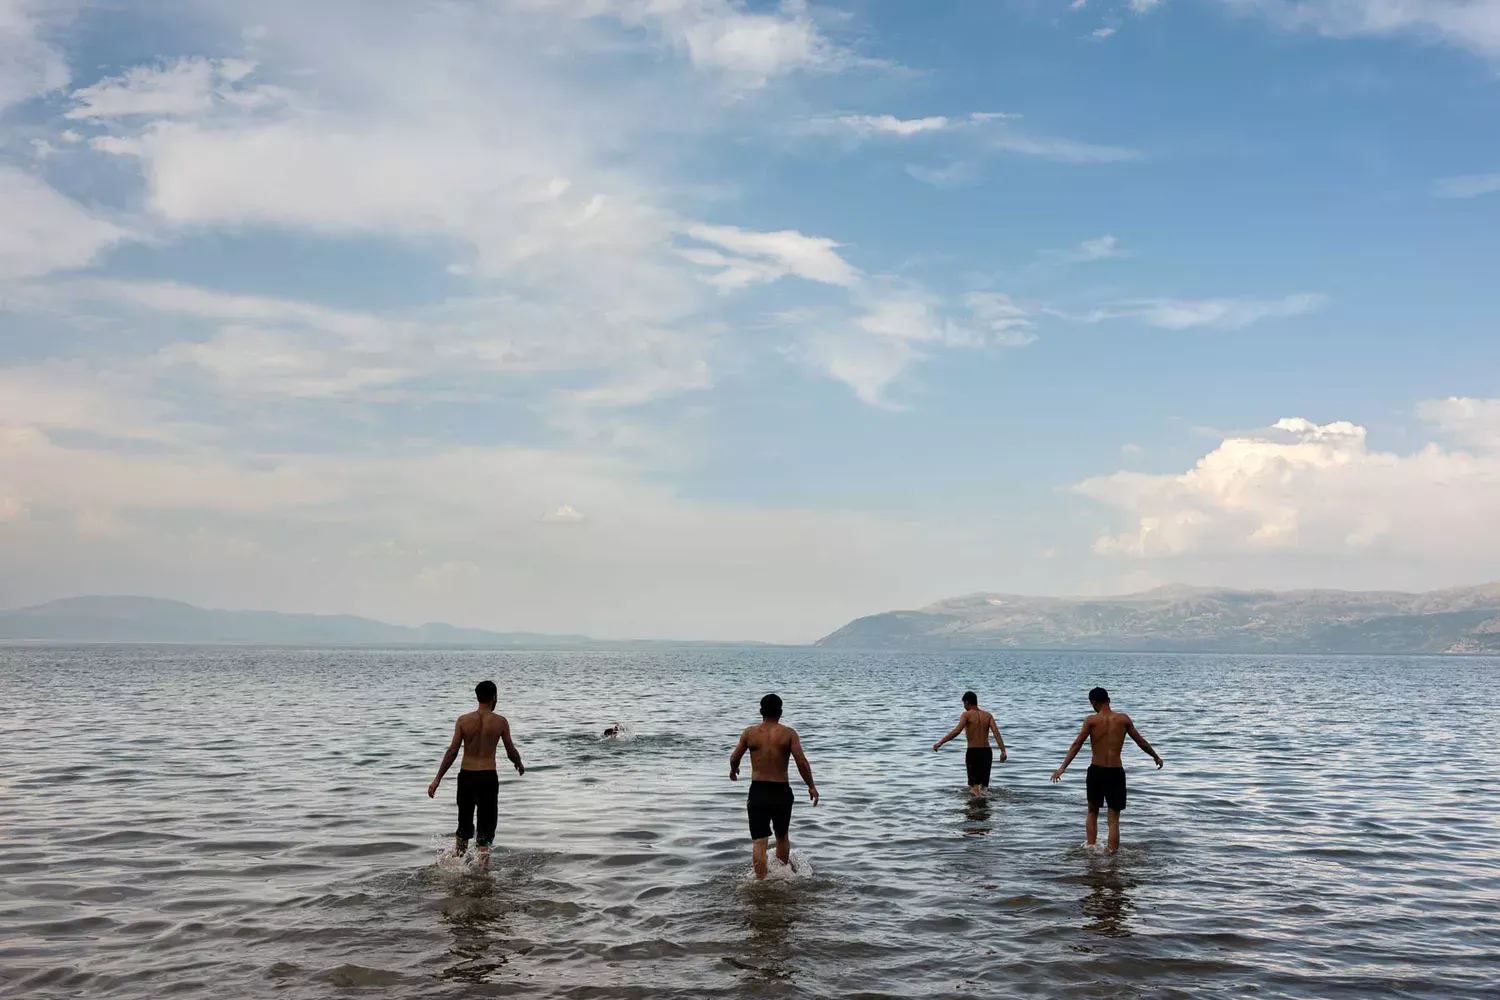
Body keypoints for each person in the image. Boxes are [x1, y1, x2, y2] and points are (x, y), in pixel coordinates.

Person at [1050, 686, 1162, 853]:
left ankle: (1090, 848)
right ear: (1108, 700)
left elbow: (1077, 744)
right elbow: (1141, 741)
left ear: (1093, 702)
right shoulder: (1123, 719)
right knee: (1114, 819)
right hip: (1116, 772)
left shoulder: (1091, 720)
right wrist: (1155, 756)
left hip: (1096, 771)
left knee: (1092, 811)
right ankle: (1112, 855)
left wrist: (1062, 768)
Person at [427, 680, 524, 870]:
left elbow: (452, 752)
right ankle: (482, 874)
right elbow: (510, 750)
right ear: (494, 697)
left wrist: (437, 779)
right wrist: (519, 764)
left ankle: (458, 866)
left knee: (464, 824)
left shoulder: (463, 720)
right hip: (488, 777)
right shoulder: (500, 722)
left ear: (477, 697)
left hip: (467, 777)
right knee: (486, 828)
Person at [729, 693, 819, 879]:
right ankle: (782, 876)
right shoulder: (788, 733)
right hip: (781, 791)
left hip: (758, 791)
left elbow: (734, 757)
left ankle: (760, 882)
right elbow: (801, 761)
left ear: (761, 711)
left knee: (759, 841)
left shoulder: (749, 733)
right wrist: (811, 786)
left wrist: (734, 769)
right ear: (780, 712)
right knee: (782, 836)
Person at [932, 691, 1008, 797]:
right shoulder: (988, 715)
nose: (964, 706)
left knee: (973, 786)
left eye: (964, 703)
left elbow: (957, 731)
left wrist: (940, 742)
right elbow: (996, 733)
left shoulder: (966, 715)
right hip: (987, 752)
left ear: (967, 702)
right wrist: (1003, 751)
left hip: (973, 752)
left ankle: (976, 807)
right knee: (984, 786)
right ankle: (983, 809)